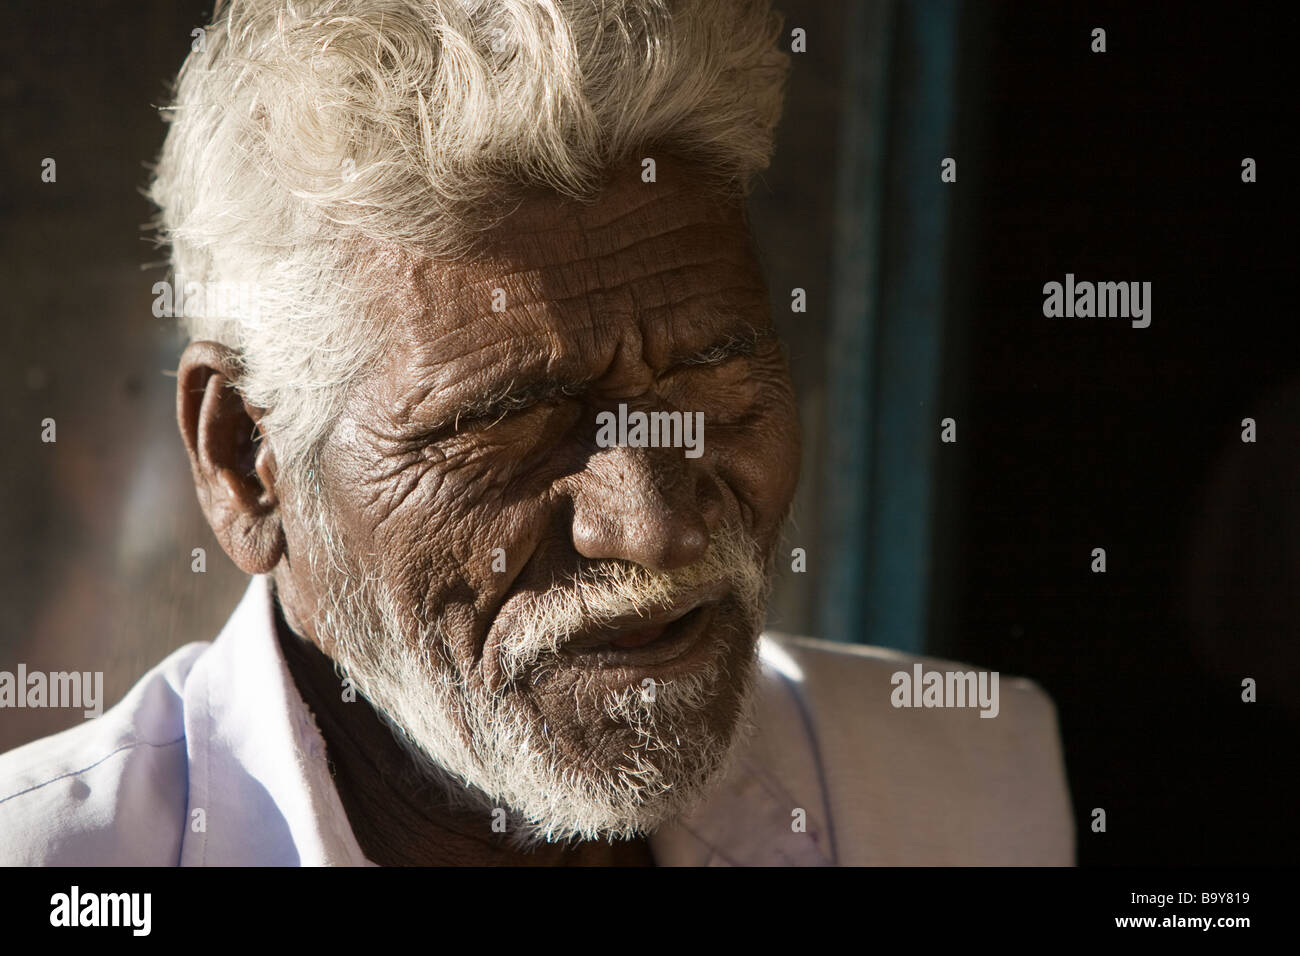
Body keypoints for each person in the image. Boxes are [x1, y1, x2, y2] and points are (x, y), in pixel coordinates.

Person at [0, 0, 1072, 865]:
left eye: (708, 369)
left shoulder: (971, 793)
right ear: (248, 463)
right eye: (508, 419)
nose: (654, 528)